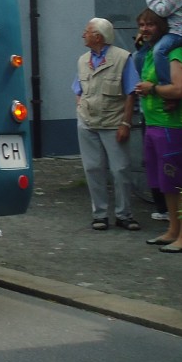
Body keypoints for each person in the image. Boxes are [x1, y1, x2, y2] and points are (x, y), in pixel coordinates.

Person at [134, 8, 182, 253]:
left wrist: (152, 89)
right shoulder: (149, 53)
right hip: (154, 124)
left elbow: (180, 89)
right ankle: (173, 229)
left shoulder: (174, 52)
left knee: (179, 182)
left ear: (161, 26)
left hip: (173, 126)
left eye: (150, 24)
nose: (145, 29)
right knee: (165, 183)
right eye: (141, 25)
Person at [73, 18, 141, 232]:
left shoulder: (122, 58)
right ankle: (100, 214)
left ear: (98, 37)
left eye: (87, 31)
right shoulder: (83, 60)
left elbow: (131, 93)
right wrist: (82, 109)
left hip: (113, 123)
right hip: (87, 123)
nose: (83, 34)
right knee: (93, 168)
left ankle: (124, 214)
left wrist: (125, 123)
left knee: (120, 169)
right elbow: (78, 89)